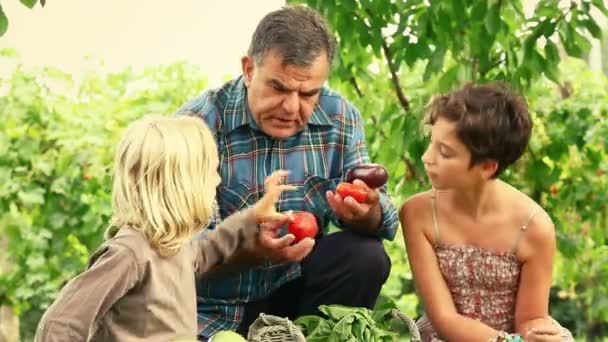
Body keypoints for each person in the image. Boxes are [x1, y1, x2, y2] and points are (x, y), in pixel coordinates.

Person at [177, 5, 399, 340]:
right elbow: (181, 254)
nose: (292, 107)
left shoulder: (340, 117)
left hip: (296, 290)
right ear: (249, 69)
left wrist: (364, 212)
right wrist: (253, 249)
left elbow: (385, 218)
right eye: (279, 88)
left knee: (365, 256)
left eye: (308, 93)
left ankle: (320, 335)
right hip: (215, 308)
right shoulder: (198, 126)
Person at [34, 116, 298, 341]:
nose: (218, 180)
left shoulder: (175, 244)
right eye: (211, 171)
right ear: (181, 184)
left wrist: (253, 216)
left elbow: (210, 248)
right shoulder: (129, 252)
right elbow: (60, 323)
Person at [400, 83, 574, 342]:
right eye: (431, 143)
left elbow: (530, 318)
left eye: (445, 152)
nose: (427, 157)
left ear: (487, 167)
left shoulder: (534, 226)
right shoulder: (418, 213)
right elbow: (443, 319)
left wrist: (537, 335)